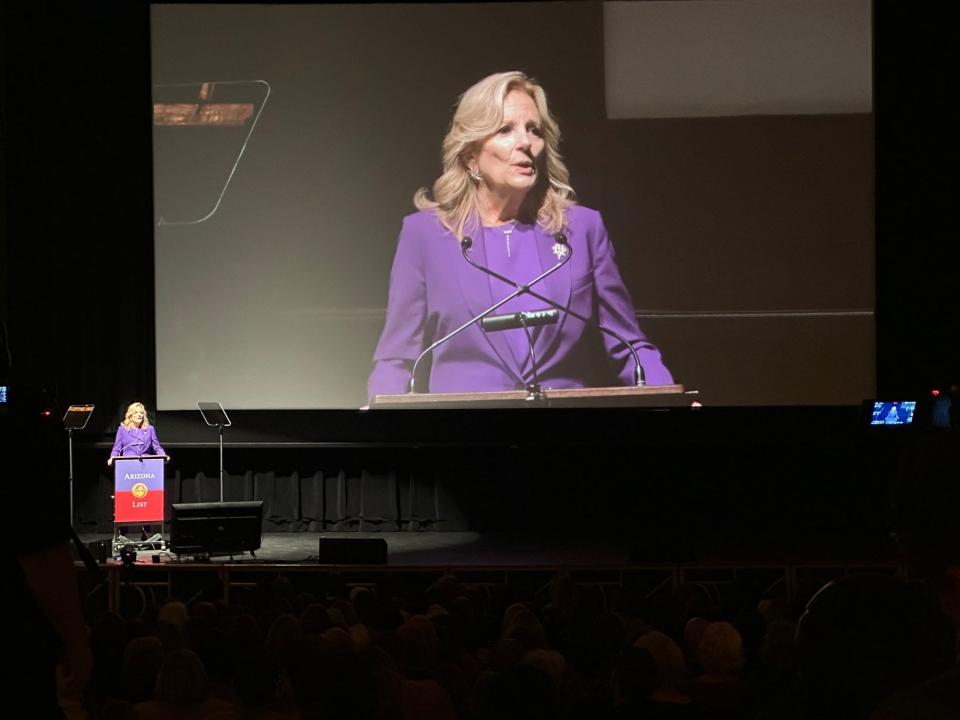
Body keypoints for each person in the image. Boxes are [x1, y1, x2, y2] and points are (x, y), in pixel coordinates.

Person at [368, 71, 672, 399]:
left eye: (534, 130)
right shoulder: (425, 235)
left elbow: (630, 346)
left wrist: (672, 399)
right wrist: (374, 419)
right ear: (471, 155)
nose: (525, 143)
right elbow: (396, 357)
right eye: (505, 130)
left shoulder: (581, 230)